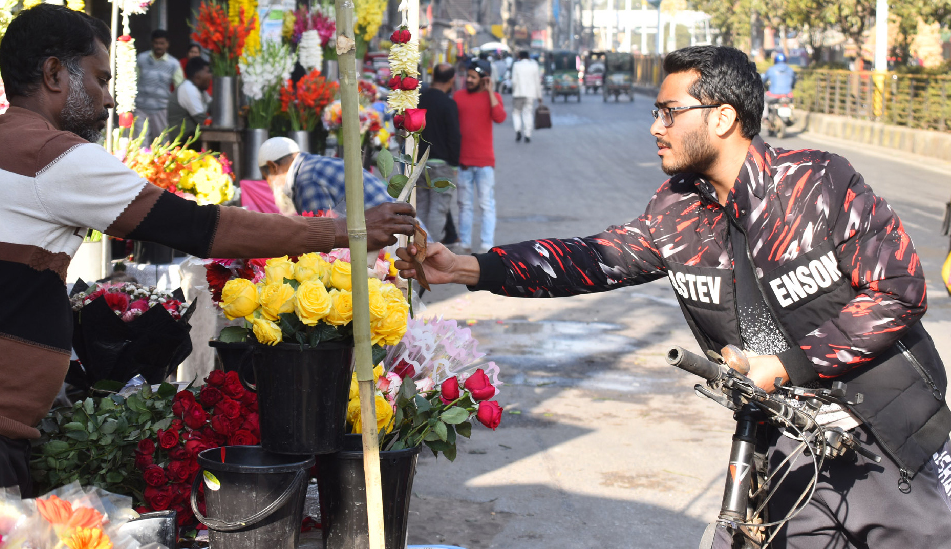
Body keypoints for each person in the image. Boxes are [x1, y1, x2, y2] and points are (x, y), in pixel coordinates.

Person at [397, 45, 951, 548]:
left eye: (669, 111)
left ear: (723, 117)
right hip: (789, 450)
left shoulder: (817, 182)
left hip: (891, 440)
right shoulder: (678, 209)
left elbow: (898, 291)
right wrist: (466, 267)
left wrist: (785, 365)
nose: (655, 127)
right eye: (656, 113)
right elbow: (593, 259)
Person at [0, 5, 416, 494]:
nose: (107, 98)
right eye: (99, 79)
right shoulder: (51, 156)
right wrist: (342, 232)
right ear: (55, 74)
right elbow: (197, 227)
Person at [258, 137, 395, 215]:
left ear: (273, 167)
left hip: (392, 240)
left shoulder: (306, 179)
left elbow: (321, 238)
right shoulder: (313, 164)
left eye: (267, 178)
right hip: (397, 226)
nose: (270, 185)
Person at [453, 59, 506, 254]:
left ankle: (487, 243)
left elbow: (500, 117)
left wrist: (490, 91)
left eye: (473, 77)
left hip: (484, 162)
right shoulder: (458, 96)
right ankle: (465, 241)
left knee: (486, 204)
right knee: (464, 205)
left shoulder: (494, 97)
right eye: (468, 76)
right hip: (463, 162)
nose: (468, 79)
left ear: (484, 78)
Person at [417, 63, 461, 243]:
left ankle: (417, 246)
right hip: (442, 164)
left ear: (433, 76)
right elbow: (454, 136)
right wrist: (454, 164)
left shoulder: (418, 99)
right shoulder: (448, 104)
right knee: (438, 208)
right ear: (452, 80)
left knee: (420, 206)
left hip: (419, 162)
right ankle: (430, 250)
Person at [134, 29, 184, 145]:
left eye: (161, 43)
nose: (158, 46)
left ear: (167, 44)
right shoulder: (142, 58)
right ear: (152, 43)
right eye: (156, 43)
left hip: (161, 108)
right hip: (140, 107)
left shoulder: (173, 63)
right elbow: (132, 79)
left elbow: (180, 87)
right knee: (140, 141)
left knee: (162, 141)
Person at [166, 57, 212, 141]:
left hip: (190, 137)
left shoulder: (201, 90)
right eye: (208, 72)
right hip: (181, 141)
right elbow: (203, 121)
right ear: (197, 76)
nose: (210, 76)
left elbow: (213, 107)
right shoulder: (188, 88)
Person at [510, 50, 542, 143]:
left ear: (519, 56)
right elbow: (537, 82)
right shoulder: (534, 66)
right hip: (530, 94)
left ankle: (518, 130)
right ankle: (527, 134)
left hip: (518, 93)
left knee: (516, 113)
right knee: (528, 113)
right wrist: (539, 96)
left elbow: (514, 81)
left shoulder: (516, 65)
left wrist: (514, 91)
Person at [762, 51, 796, 118]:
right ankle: (791, 116)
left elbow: (764, 80)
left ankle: (764, 116)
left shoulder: (771, 69)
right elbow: (794, 80)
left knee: (763, 98)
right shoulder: (790, 70)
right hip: (787, 95)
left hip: (773, 95)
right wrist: (792, 87)